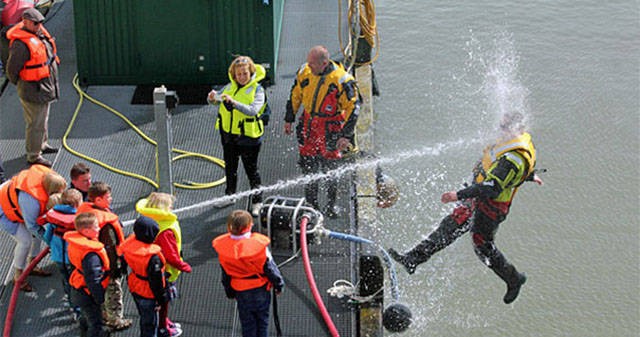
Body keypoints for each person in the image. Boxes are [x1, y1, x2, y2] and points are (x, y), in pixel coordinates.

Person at [389, 112, 544, 304]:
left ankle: (514, 279)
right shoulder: (512, 143)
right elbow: (514, 170)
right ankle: (413, 259)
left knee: (482, 246)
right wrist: (530, 176)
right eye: (501, 125)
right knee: (451, 225)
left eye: (504, 127)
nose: (500, 130)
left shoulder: (513, 158)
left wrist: (457, 195)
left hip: (490, 207)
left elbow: (492, 187)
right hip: (478, 198)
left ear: (516, 129)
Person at [284, 45, 360, 218]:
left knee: (331, 170)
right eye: (308, 62)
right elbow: (295, 94)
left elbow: (353, 108)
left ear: (324, 63)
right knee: (308, 167)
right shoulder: (305, 72)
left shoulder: (342, 81)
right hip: (309, 125)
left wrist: (346, 135)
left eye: (312, 63)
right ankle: (311, 204)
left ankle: (331, 205)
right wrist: (289, 118)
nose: (308, 66)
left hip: (331, 127)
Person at [207, 55, 270, 216]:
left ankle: (257, 201)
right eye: (238, 74)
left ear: (251, 73)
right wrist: (213, 98)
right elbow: (218, 100)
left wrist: (234, 103)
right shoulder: (229, 87)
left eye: (245, 74)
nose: (241, 77)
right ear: (233, 75)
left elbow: (253, 110)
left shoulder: (257, 90)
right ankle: (230, 195)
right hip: (228, 135)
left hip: (248, 137)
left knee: (251, 170)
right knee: (230, 167)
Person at [212, 210, 284, 337]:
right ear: (249, 226)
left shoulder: (224, 250)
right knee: (262, 321)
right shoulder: (259, 247)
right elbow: (271, 269)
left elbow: (225, 275)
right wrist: (278, 285)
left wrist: (229, 292)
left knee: (247, 323)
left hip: (240, 291)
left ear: (229, 227)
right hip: (260, 289)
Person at [5, 8, 60, 167]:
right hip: (32, 90)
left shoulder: (38, 34)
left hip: (44, 87)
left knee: (43, 119)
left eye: (40, 23)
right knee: (35, 123)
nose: (39, 26)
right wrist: (21, 83)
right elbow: (12, 69)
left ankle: (42, 145)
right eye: (35, 23)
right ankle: (33, 155)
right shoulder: (20, 45)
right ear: (26, 22)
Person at [0, 164, 66, 291]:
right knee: (26, 241)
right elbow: (32, 226)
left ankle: (33, 265)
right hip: (4, 209)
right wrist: (51, 242)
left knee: (37, 234)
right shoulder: (32, 202)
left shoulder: (50, 179)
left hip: (17, 202)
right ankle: (18, 275)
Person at [77, 181, 132, 330]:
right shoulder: (106, 225)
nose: (111, 199)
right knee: (114, 291)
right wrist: (115, 267)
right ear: (98, 200)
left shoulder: (85, 212)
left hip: (91, 263)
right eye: (108, 197)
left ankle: (99, 315)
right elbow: (110, 248)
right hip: (106, 265)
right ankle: (115, 320)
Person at [136, 192, 190, 337]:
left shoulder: (146, 221)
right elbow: (171, 255)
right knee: (163, 301)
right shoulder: (166, 230)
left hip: (148, 271)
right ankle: (162, 327)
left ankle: (164, 321)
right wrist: (183, 266)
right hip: (166, 271)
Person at [118, 216, 172, 337]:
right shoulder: (153, 257)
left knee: (144, 316)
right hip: (149, 292)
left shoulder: (128, 246)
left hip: (135, 284)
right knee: (150, 323)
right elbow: (156, 283)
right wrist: (161, 299)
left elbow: (122, 263)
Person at [65, 212, 110, 337]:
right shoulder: (91, 255)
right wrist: (100, 298)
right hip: (87, 293)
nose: (99, 228)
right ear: (85, 231)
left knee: (86, 316)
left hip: (78, 288)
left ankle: (83, 332)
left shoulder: (76, 245)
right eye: (95, 227)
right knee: (96, 324)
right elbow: (93, 279)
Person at [42, 188, 83, 318]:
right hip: (73, 259)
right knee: (77, 283)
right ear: (77, 204)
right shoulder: (78, 220)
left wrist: (53, 247)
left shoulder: (54, 220)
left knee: (66, 281)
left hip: (58, 258)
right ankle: (79, 309)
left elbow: (47, 237)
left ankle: (72, 305)